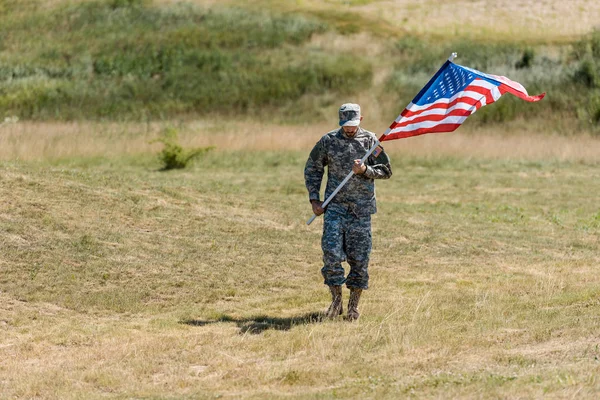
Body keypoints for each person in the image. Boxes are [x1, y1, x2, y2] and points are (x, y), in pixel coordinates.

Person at [304, 103, 392, 321]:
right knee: (331, 255)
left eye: (353, 125)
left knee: (359, 259)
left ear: (360, 120)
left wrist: (365, 170)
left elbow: (386, 171)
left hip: (360, 211)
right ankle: (336, 304)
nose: (349, 129)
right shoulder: (329, 141)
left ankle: (353, 307)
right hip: (335, 209)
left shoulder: (371, 141)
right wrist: (315, 199)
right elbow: (313, 168)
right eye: (345, 125)